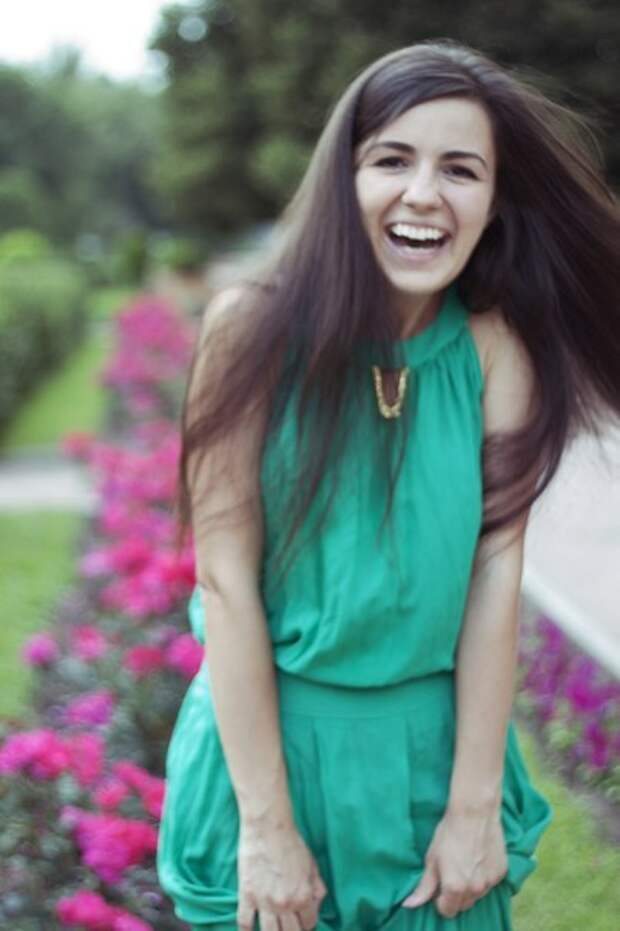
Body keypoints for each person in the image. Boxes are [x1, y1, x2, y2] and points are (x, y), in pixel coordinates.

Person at [156, 39, 620, 931]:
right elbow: (224, 578)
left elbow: (495, 572)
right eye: (392, 160)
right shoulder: (249, 330)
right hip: (268, 759)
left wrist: (473, 807)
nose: (423, 194)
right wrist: (268, 828)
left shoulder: (493, 345)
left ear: (494, 201)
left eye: (461, 170)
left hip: (433, 765)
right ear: (346, 180)